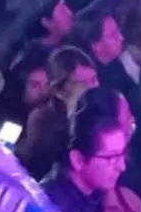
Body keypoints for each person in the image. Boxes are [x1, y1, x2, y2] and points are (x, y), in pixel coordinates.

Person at [17, 48, 99, 180]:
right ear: (59, 89)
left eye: (94, 79)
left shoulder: (97, 118)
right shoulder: (42, 120)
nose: (93, 87)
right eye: (83, 83)